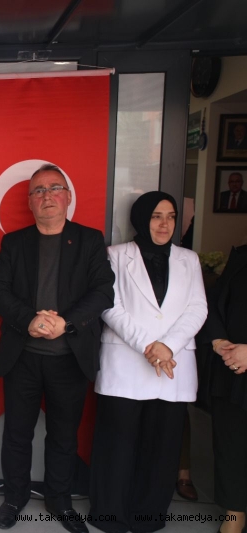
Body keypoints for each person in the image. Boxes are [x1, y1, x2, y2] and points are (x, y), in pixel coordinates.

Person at [0, 163, 115, 533]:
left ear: (68, 196)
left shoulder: (89, 240)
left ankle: (60, 501)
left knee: (63, 436)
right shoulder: (14, 243)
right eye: (39, 190)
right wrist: (28, 319)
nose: (47, 196)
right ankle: (14, 498)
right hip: (23, 357)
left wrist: (66, 322)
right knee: (17, 434)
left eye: (55, 188)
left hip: (70, 358)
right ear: (30, 201)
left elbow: (103, 291)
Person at [88, 191, 207, 533]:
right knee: (117, 445)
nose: (165, 224)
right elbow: (109, 305)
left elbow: (198, 308)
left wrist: (167, 346)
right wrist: (148, 345)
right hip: (126, 362)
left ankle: (147, 516)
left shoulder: (189, 259)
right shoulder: (115, 254)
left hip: (172, 366)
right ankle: (110, 516)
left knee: (162, 447)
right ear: (141, 219)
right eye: (156, 216)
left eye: (171, 216)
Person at [205, 243, 247, 533]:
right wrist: (219, 341)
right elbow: (214, 302)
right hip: (231, 367)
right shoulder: (241, 256)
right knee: (230, 445)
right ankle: (234, 515)